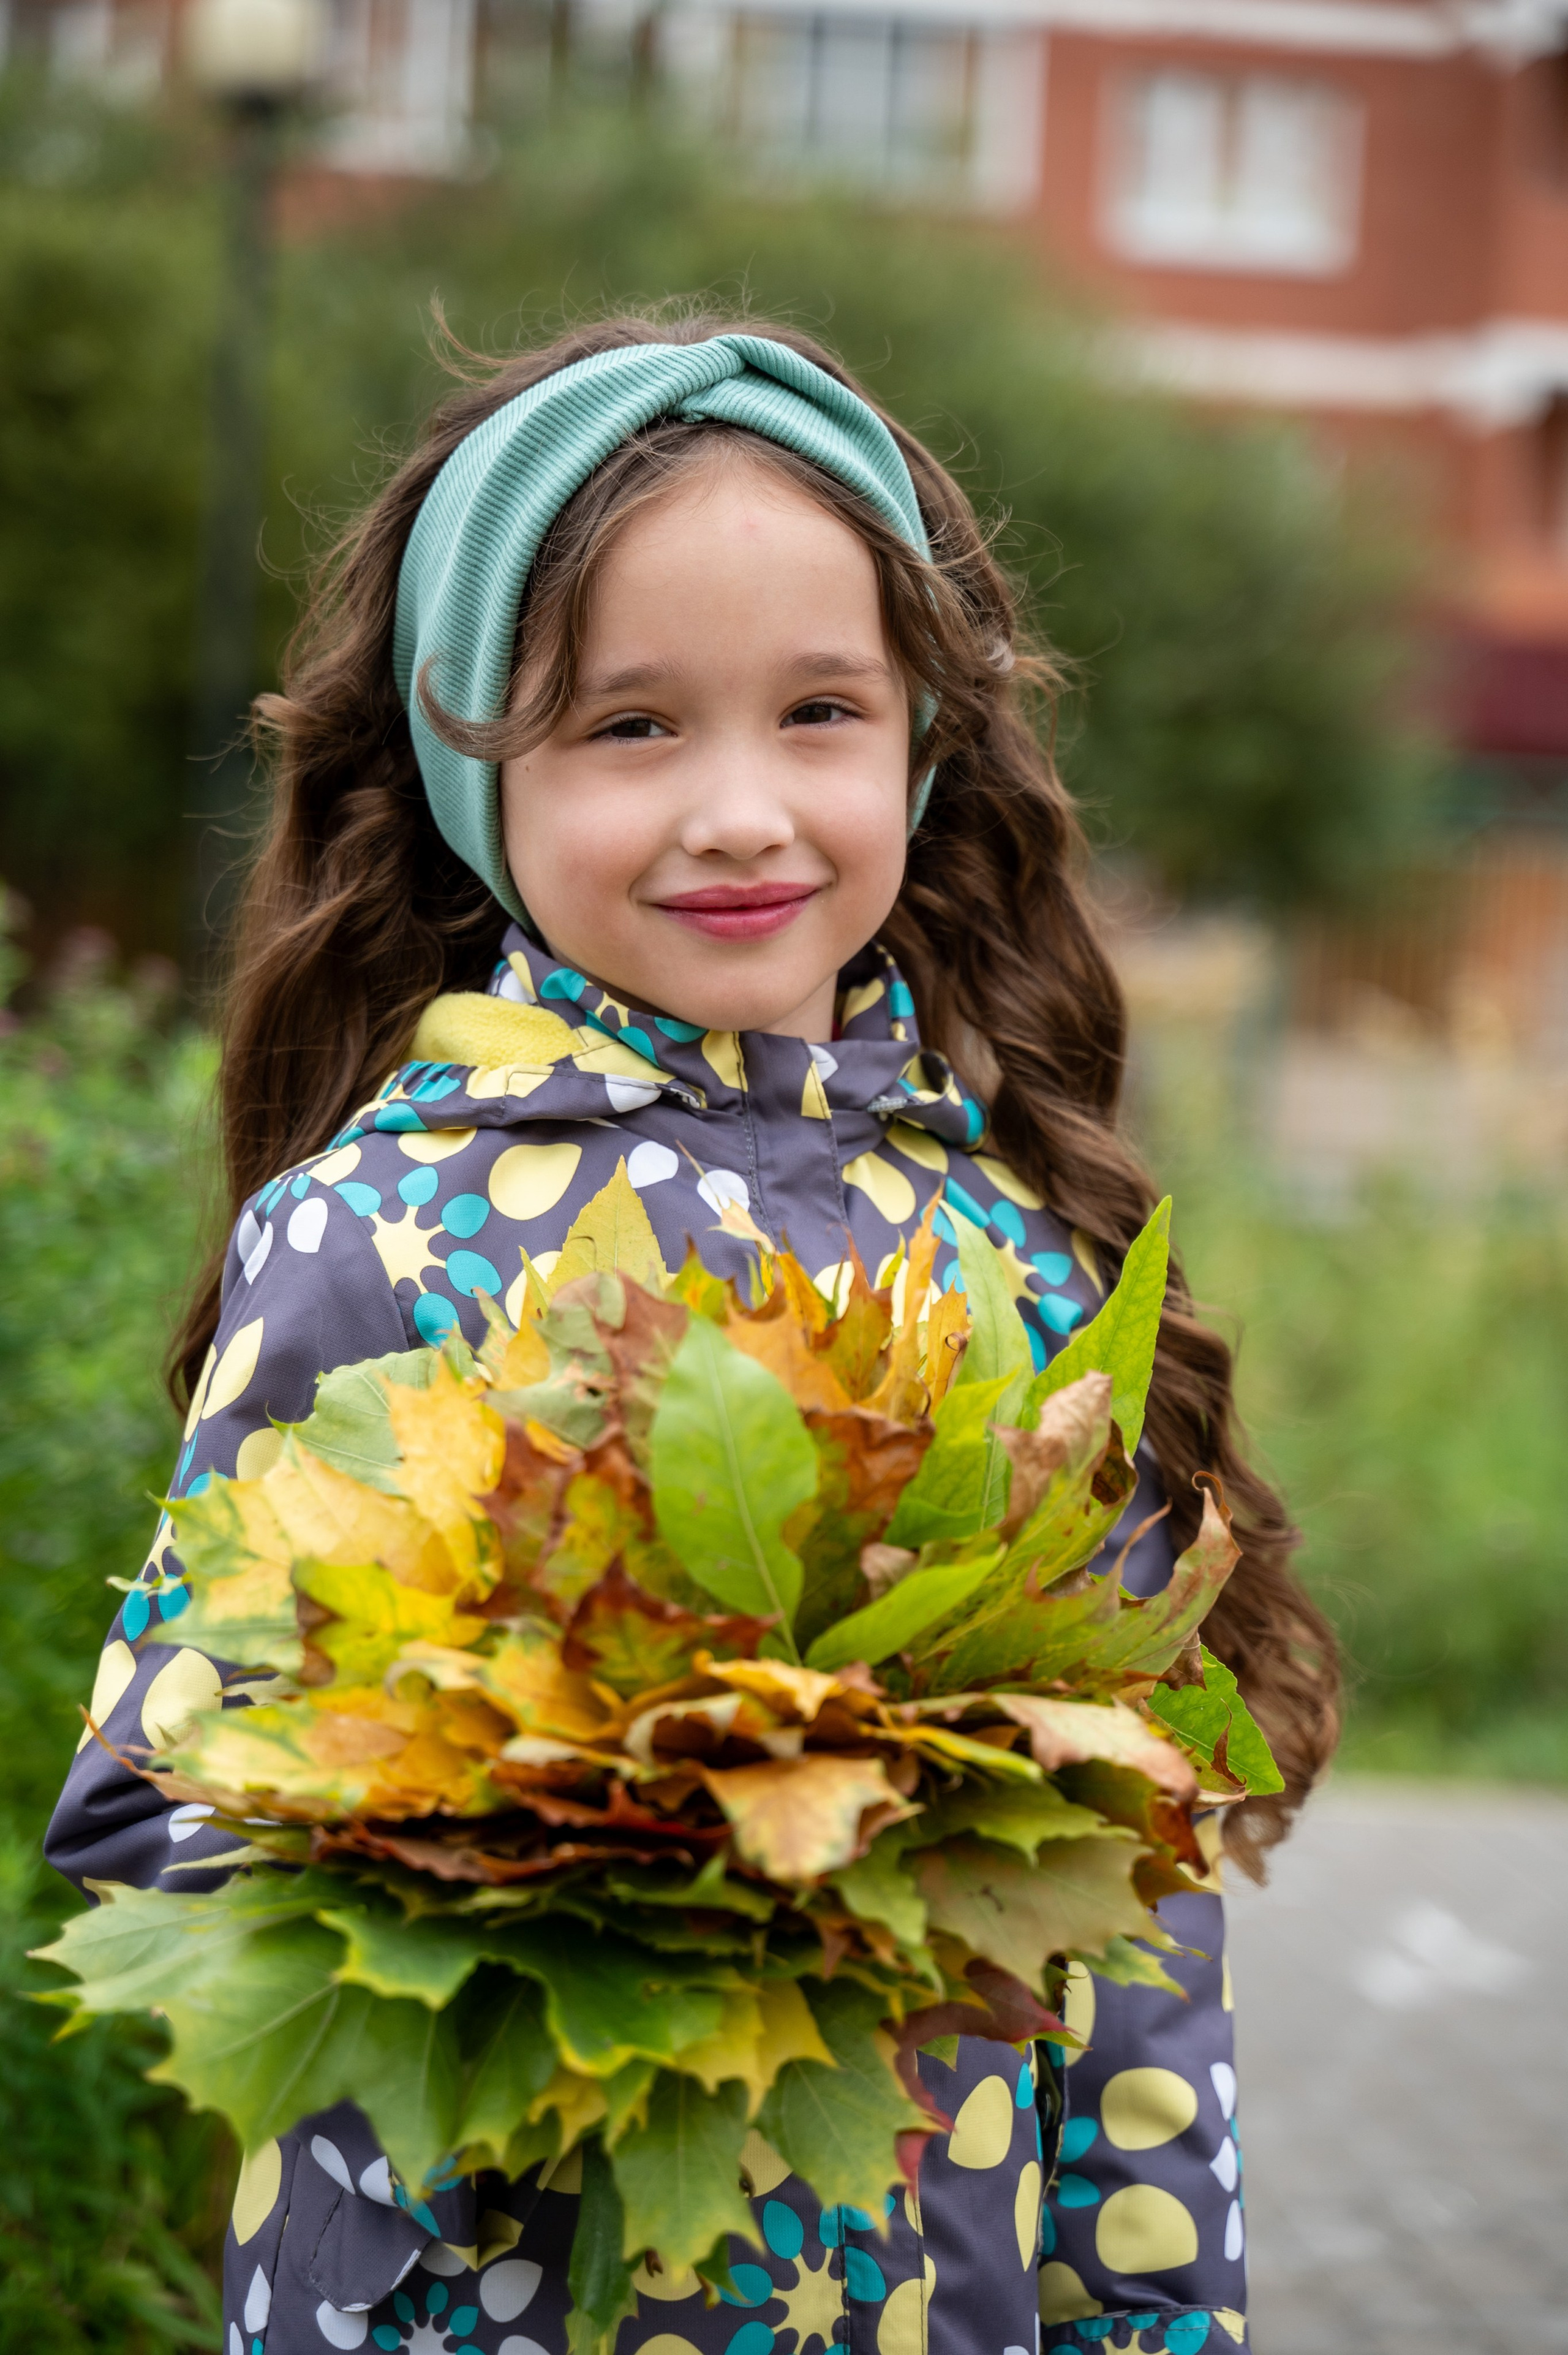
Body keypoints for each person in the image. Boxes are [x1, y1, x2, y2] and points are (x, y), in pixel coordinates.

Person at [47, 313, 1337, 2355]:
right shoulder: (379, 1240)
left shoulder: (1007, 1256)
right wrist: (579, 1859)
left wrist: (1155, 2308)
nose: (741, 810)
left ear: (923, 738)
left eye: (820, 710)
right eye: (630, 725)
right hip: (482, 2304)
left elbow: (1129, 1900)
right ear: (474, 775)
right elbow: (158, 1810)